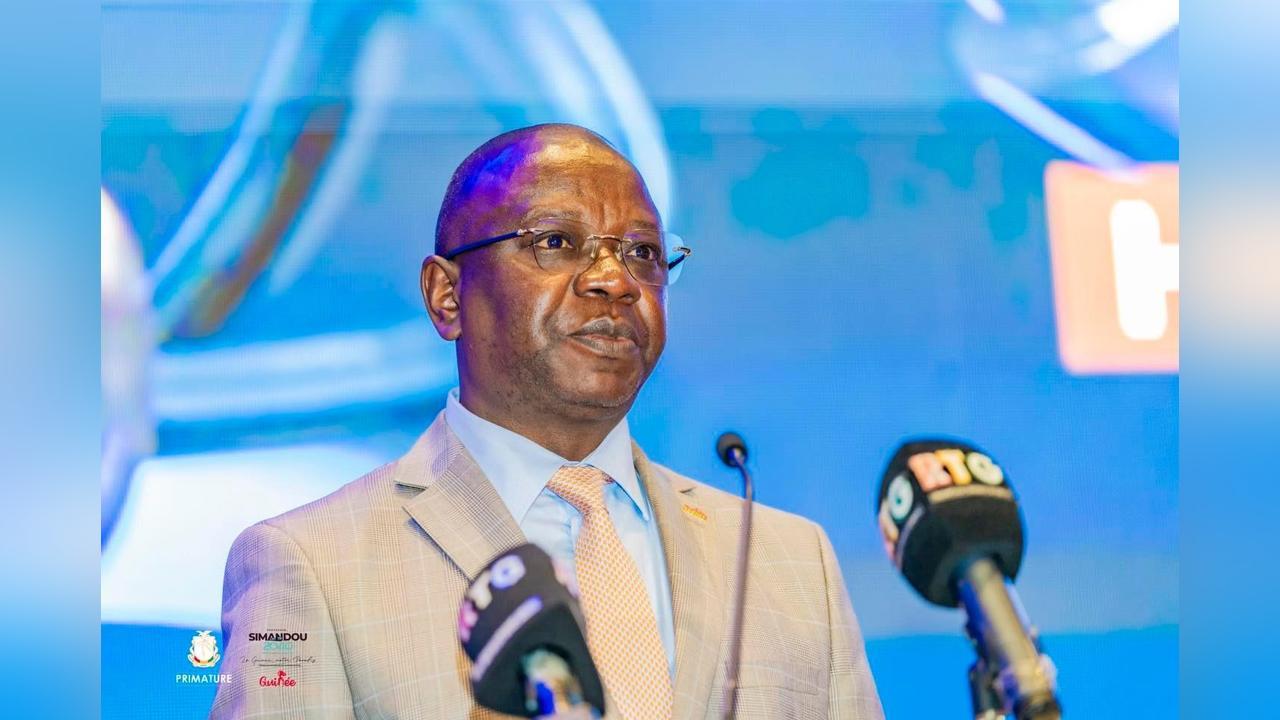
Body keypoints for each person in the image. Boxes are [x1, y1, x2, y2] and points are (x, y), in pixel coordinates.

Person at [211, 123, 883, 719]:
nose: (615, 281)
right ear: (447, 296)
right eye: (557, 242)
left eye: (643, 253)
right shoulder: (311, 564)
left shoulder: (791, 561)